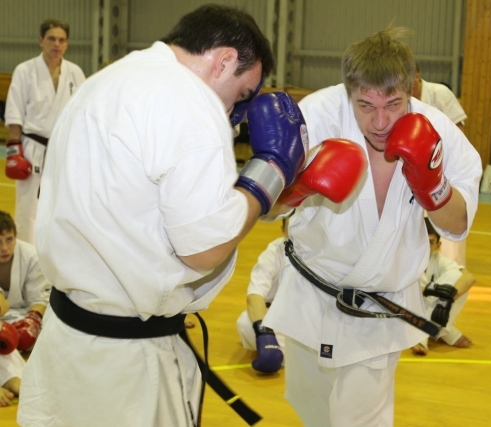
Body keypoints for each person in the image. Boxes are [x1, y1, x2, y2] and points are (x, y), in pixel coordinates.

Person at [15, 5, 319, 427]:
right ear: (224, 60)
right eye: (241, 94)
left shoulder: (109, 79)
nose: (234, 112)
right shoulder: (191, 103)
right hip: (125, 370)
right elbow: (205, 247)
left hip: (68, 339)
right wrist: (273, 170)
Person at [262, 28, 482, 426]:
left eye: (393, 104)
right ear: (349, 92)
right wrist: (298, 188)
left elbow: (458, 223)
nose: (380, 122)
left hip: (378, 310)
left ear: (411, 89)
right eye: (365, 105)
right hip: (309, 297)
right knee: (312, 412)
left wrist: (435, 187)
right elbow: (264, 207)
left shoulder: (438, 131)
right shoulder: (318, 115)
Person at [4, 18, 86, 245]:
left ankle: (57, 255)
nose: (56, 44)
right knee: (28, 209)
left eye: (61, 40)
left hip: (63, 149)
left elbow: (82, 113)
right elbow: (14, 111)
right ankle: (28, 255)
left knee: (62, 206)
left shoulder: (75, 73)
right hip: (32, 148)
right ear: (41, 40)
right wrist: (14, 150)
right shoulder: (25, 71)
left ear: (67, 44)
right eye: (51, 39)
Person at [412, 62, 469, 265]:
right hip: (415, 172)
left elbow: (459, 129)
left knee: (448, 222)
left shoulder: (440, 93)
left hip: (446, 168)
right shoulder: (399, 100)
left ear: (417, 75)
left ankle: (452, 272)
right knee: (419, 225)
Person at [411, 218, 475, 356]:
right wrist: (431, 290)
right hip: (399, 312)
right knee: (436, 292)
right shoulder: (402, 258)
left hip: (419, 315)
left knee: (457, 277)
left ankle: (425, 330)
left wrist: (448, 296)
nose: (425, 246)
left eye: (430, 242)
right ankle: (443, 329)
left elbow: (469, 278)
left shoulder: (438, 260)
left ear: (437, 245)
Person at [236, 215, 291, 374]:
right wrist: (265, 334)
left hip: (311, 320)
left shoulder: (324, 252)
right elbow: (255, 295)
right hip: (276, 317)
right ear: (283, 230)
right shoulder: (275, 251)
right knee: (246, 323)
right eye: (292, 227)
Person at [0, 211, 50, 353]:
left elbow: (40, 299)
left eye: (9, 239)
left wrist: (32, 322)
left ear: (16, 238)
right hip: (4, 316)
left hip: (27, 313)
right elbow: (2, 305)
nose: (4, 248)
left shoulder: (32, 257)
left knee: (47, 336)